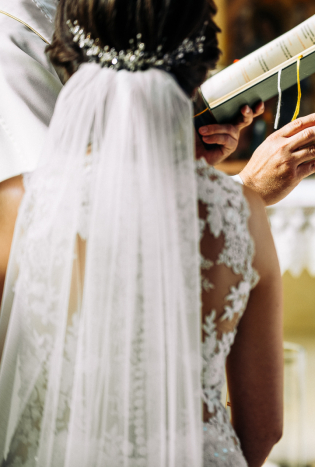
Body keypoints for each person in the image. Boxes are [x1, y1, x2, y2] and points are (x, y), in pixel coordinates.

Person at [0, 0, 294, 464]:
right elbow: (263, 430)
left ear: (70, 56)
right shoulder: (241, 213)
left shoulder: (16, 204)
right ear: (199, 64)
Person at [0, 0, 315, 301]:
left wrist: (177, 154)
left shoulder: (73, 21)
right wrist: (245, 192)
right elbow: (66, 224)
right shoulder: (13, 40)